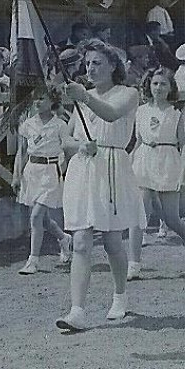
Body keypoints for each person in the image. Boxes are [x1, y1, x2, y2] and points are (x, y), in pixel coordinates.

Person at [57, 41, 142, 332]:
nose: (90, 69)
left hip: (112, 168)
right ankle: (77, 311)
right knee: (80, 240)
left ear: (113, 66)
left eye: (97, 63)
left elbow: (112, 114)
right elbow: (65, 139)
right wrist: (80, 146)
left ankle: (120, 295)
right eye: (88, 63)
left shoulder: (129, 93)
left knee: (112, 242)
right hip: (84, 169)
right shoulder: (83, 96)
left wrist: (84, 98)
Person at [127, 68, 185, 279]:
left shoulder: (176, 114)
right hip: (144, 162)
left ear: (171, 87)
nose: (158, 88)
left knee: (171, 218)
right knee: (140, 215)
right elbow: (138, 141)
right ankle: (133, 263)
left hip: (168, 161)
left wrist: (182, 173)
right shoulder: (141, 111)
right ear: (149, 86)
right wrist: (128, 163)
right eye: (155, 84)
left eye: (163, 84)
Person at [15, 88, 73, 274]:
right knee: (44, 219)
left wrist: (63, 169)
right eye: (35, 99)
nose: (37, 102)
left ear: (52, 101)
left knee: (36, 216)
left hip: (50, 171)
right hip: (31, 171)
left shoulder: (59, 125)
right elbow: (22, 151)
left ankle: (33, 260)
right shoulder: (28, 124)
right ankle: (64, 239)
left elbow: (67, 148)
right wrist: (16, 175)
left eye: (42, 98)